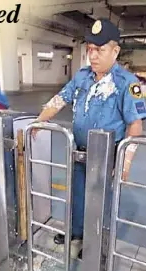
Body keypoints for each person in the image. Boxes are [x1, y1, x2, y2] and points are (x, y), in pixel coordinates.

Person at [32, 18, 146, 258]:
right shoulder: (83, 76)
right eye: (90, 50)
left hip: (106, 157)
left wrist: (124, 163)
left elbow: (135, 125)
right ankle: (75, 232)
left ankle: (95, 243)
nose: (93, 56)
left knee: (101, 202)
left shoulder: (128, 84)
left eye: (100, 50)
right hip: (79, 151)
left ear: (115, 51)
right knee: (76, 195)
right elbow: (60, 99)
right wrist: (40, 120)